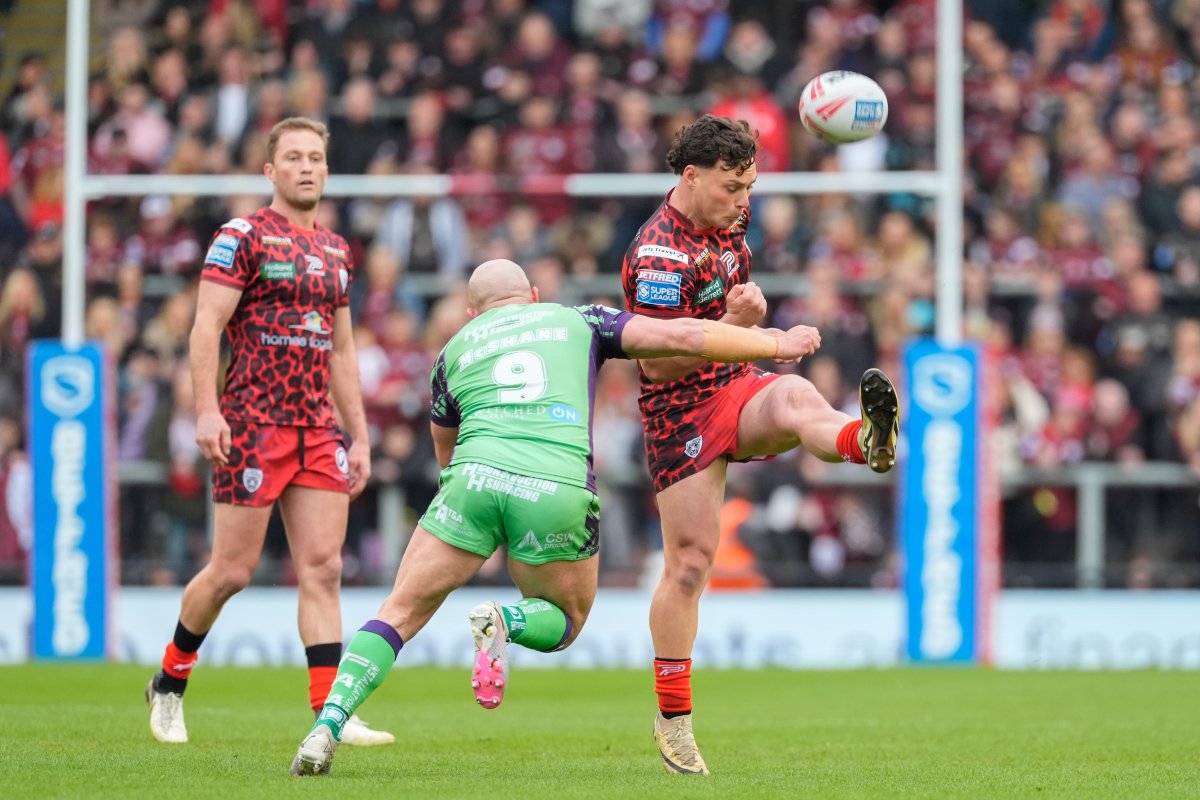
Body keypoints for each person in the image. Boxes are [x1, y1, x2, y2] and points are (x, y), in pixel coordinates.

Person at [289, 258, 826, 776]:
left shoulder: (451, 352)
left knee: (399, 611)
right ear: (534, 299)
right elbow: (684, 338)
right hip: (556, 486)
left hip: (473, 480)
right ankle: (507, 621)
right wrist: (774, 343)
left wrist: (477, 516)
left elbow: (444, 451)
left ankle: (327, 725)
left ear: (474, 314)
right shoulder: (579, 319)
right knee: (564, 619)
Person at [620, 114, 900, 775]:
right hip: (679, 414)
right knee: (689, 567)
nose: (743, 202)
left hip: (735, 384)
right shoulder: (657, 254)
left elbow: (729, 314)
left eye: (749, 186)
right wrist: (747, 326)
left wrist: (742, 320)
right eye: (731, 187)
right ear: (691, 177)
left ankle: (868, 443)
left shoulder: (731, 217)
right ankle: (674, 718)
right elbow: (659, 365)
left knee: (800, 398)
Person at [145, 117, 393, 748]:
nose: (306, 166)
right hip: (253, 422)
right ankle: (170, 682)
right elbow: (205, 327)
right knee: (231, 570)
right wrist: (207, 409)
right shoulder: (242, 235)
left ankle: (329, 714)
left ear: (327, 170)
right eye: (293, 157)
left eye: (316, 157)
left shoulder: (338, 250)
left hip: (316, 428)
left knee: (324, 568)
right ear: (271, 170)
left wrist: (358, 435)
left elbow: (342, 351)